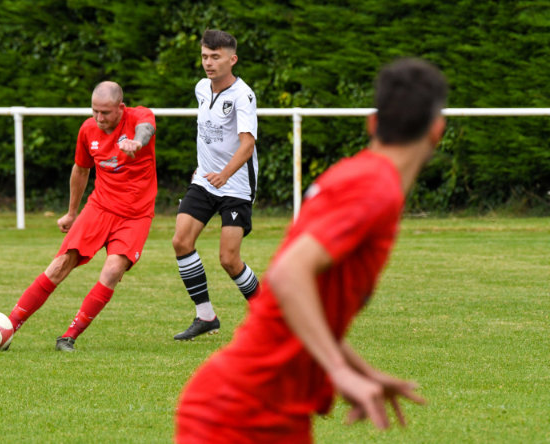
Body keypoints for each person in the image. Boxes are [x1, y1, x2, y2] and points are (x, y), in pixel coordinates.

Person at [175, 58, 448, 443]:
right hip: (237, 412)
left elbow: (305, 307)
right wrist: (338, 370)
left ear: (372, 123)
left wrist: (362, 370)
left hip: (274, 408)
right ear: (437, 129)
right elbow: (288, 275)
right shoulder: (374, 187)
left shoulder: (361, 177)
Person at [0, 81, 156, 352]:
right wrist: (72, 213)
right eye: (95, 111)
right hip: (99, 207)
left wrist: (137, 142)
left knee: (113, 270)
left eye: (105, 112)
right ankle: (8, 328)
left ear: (121, 107)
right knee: (60, 264)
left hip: (135, 215)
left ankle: (69, 336)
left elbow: (147, 128)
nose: (99, 118)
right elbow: (81, 170)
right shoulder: (87, 129)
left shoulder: (139, 116)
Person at [172, 29, 260, 341]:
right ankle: (206, 316)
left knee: (229, 260)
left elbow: (247, 144)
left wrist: (224, 174)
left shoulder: (243, 96)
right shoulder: (201, 88)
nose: (208, 63)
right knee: (181, 241)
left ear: (232, 60)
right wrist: (207, 171)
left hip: (235, 186)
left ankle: (270, 316)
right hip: (205, 182)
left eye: (215, 57)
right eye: (205, 57)